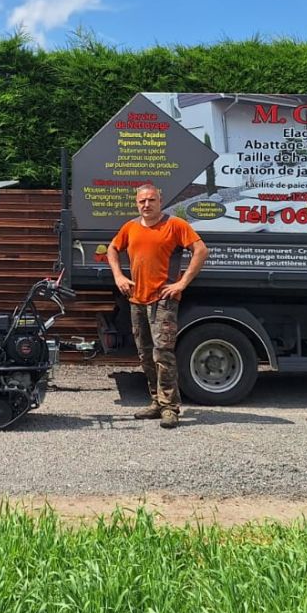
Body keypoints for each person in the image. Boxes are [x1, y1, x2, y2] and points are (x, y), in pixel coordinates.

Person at [107, 183, 208, 429]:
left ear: (159, 201)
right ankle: (156, 402)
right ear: (136, 203)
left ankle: (170, 407)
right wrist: (119, 276)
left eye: (151, 200)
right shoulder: (130, 228)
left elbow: (201, 250)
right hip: (136, 300)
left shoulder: (175, 225)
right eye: (142, 201)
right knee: (145, 354)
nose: (146, 205)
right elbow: (112, 248)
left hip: (163, 300)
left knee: (163, 354)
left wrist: (182, 283)